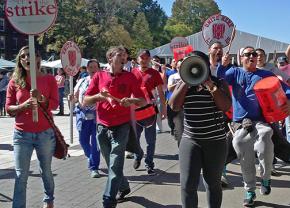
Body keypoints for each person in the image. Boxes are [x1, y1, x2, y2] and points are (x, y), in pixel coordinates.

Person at [217, 46, 290, 207]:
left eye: (254, 54)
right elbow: (220, 77)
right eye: (248, 54)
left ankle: (265, 178)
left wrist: (289, 103)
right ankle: (250, 190)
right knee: (239, 144)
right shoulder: (234, 72)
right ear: (240, 57)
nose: (252, 56)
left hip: (262, 121)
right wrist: (222, 64)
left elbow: (286, 90)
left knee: (266, 134)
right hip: (241, 123)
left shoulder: (266, 75)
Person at [83, 46, 146, 208]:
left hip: (122, 126)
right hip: (101, 127)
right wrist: (99, 96)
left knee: (115, 162)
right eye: (120, 55)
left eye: (125, 56)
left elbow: (143, 100)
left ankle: (108, 200)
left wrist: (131, 101)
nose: (124, 58)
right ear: (110, 58)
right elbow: (85, 100)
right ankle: (124, 187)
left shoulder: (130, 77)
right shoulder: (99, 76)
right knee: (111, 162)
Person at [169, 51, 231, 208]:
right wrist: (186, 82)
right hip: (191, 141)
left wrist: (211, 86)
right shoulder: (183, 85)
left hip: (216, 142)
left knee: (213, 183)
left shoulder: (219, 83)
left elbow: (225, 106)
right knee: (188, 185)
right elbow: (174, 106)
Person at [6, 46, 59, 208]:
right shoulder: (14, 81)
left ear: (38, 58)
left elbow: (55, 104)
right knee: (21, 175)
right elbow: (8, 109)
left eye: (31, 55)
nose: (27, 58)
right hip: (22, 135)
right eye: (23, 56)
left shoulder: (49, 79)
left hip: (45, 134)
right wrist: (23, 106)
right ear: (20, 61)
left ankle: (49, 199)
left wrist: (41, 98)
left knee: (46, 171)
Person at [131, 49, 167, 175]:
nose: (144, 60)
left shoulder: (154, 74)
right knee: (135, 138)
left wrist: (164, 109)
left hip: (150, 111)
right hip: (135, 112)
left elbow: (161, 92)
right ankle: (138, 155)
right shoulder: (132, 73)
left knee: (150, 140)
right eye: (142, 57)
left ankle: (149, 163)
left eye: (146, 58)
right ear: (137, 59)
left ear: (150, 59)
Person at [69, 59, 101, 178]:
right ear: (87, 69)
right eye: (90, 67)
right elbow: (76, 98)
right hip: (82, 115)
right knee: (83, 141)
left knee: (96, 143)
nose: (93, 69)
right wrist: (72, 98)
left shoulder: (102, 82)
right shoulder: (82, 81)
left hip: (97, 116)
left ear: (99, 69)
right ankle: (90, 156)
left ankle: (94, 167)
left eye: (95, 67)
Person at [167, 59, 184, 146]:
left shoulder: (189, 76)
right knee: (172, 123)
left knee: (182, 129)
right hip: (174, 104)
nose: (180, 68)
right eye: (178, 67)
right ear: (176, 68)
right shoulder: (173, 77)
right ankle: (173, 129)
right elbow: (169, 88)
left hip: (185, 106)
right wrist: (181, 83)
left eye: (182, 66)